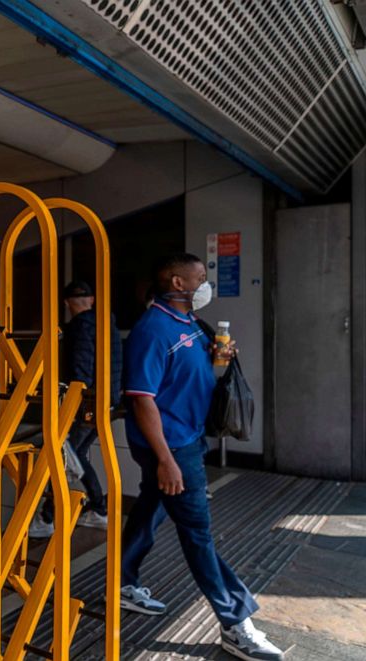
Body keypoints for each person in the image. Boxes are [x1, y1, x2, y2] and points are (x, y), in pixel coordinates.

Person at [121, 253, 284, 661]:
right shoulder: (152, 329)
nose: (204, 283)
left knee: (152, 505)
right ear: (177, 282)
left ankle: (121, 579)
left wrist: (217, 359)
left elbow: (190, 375)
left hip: (188, 438)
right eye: (200, 276)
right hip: (172, 447)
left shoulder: (188, 324)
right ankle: (235, 622)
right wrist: (166, 460)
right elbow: (141, 400)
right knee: (197, 533)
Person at [30, 280, 122, 537]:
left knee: (65, 453)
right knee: (76, 453)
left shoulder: (79, 327)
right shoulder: (108, 325)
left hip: (86, 404)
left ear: (67, 303)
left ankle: (49, 517)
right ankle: (96, 510)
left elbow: (81, 370)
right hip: (107, 401)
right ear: (92, 300)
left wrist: (74, 401)